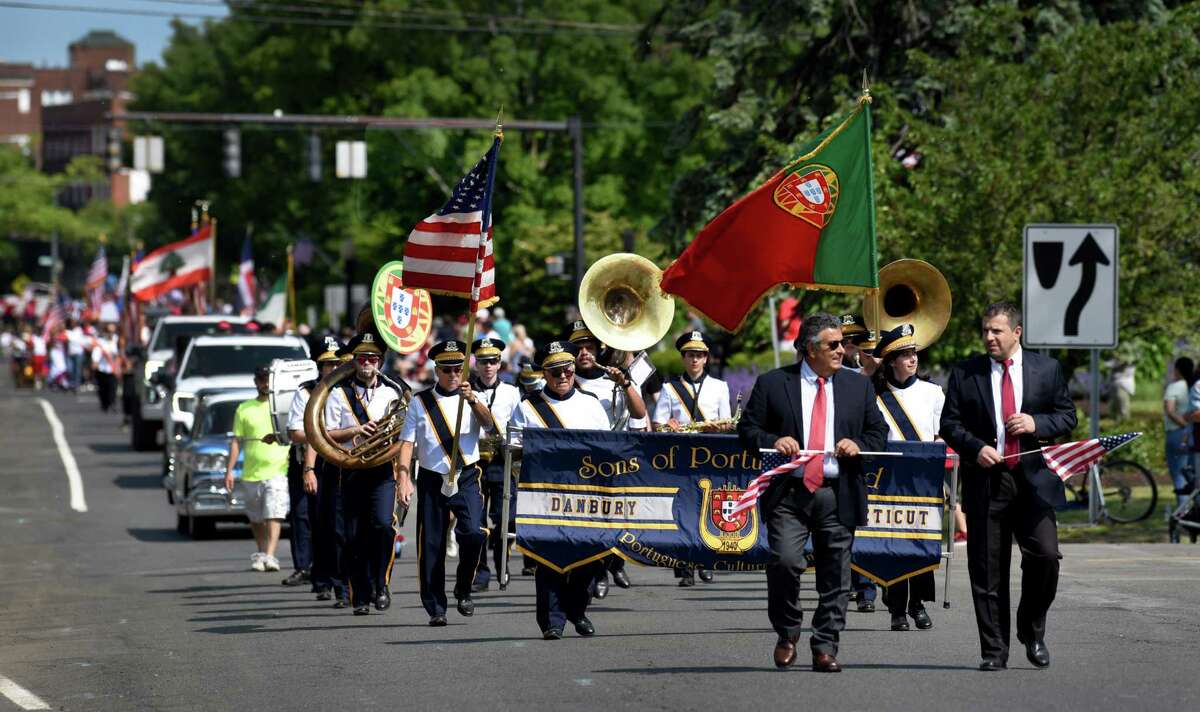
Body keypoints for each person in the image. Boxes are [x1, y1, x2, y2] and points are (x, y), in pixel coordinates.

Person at [737, 312, 888, 672]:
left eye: (842, 344)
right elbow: (748, 429)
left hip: (839, 492)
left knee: (837, 574)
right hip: (789, 493)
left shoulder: (858, 386)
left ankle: (825, 645)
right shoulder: (775, 383)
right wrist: (774, 441)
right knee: (786, 562)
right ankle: (787, 633)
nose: (842, 350)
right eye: (833, 345)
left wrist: (858, 443)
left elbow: (878, 432)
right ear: (810, 349)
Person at [939, 301, 1077, 671]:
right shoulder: (966, 373)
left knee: (1046, 557)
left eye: (996, 331)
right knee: (986, 570)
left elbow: (1067, 416)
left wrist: (1036, 424)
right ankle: (994, 651)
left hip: (1033, 478)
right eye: (985, 330)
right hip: (988, 479)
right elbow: (949, 424)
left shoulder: (1046, 369)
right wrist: (976, 447)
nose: (989, 337)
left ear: (1016, 333)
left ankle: (1031, 630)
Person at [512, 340, 612, 639]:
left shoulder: (591, 403)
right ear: (545, 373)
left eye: (567, 369)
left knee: (591, 556)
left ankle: (577, 609)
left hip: (586, 494)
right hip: (544, 493)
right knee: (548, 559)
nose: (563, 375)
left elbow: (608, 450)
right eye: (555, 371)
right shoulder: (528, 406)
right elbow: (515, 449)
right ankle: (552, 621)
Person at [397, 339, 494, 626]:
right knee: (431, 545)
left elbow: (489, 426)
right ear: (436, 370)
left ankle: (463, 587)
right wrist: (404, 478)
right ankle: (436, 607)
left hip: (465, 474)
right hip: (431, 476)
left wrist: (473, 400)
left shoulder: (475, 397)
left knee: (475, 533)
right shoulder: (420, 402)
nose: (453, 374)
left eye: (457, 369)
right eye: (447, 369)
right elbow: (406, 443)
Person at [324, 332, 411, 615]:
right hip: (350, 469)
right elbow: (325, 434)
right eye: (362, 358)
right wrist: (355, 431)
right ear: (354, 361)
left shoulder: (391, 391)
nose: (366, 363)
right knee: (353, 536)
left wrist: (403, 476)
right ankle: (360, 595)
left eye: (372, 358)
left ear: (380, 362)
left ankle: (381, 584)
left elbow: (404, 435)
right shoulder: (338, 393)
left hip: (382, 471)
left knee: (383, 527)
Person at [870, 324, 944, 632]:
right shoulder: (874, 396)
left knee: (919, 542)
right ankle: (896, 608)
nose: (912, 359)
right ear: (890, 361)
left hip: (922, 480)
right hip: (888, 481)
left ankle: (918, 603)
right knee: (892, 545)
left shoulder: (933, 393)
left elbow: (943, 433)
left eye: (913, 352)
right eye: (904, 354)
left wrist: (942, 443)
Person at [566, 319, 644, 595]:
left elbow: (638, 412)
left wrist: (625, 384)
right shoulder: (565, 380)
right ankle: (597, 571)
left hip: (613, 460)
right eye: (578, 348)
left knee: (615, 519)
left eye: (589, 347)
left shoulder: (613, 378)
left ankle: (611, 563)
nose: (584, 353)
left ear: (598, 350)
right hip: (578, 461)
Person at [652, 330, 731, 587]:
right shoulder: (669, 388)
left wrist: (719, 428)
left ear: (706, 358)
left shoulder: (720, 387)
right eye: (690, 355)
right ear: (683, 358)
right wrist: (668, 426)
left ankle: (706, 561)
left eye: (699, 355)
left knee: (707, 509)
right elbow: (658, 423)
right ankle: (685, 565)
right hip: (682, 456)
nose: (695, 360)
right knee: (684, 510)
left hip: (710, 454)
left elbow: (728, 422)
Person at [280, 338, 341, 590]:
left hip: (336, 463)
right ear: (319, 366)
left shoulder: (347, 391)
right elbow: (295, 433)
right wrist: (330, 434)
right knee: (304, 516)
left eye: (337, 363)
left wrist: (319, 433)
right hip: (305, 462)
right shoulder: (305, 392)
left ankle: (328, 574)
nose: (333, 368)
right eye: (328, 364)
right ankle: (304, 567)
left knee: (330, 520)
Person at [468, 337, 523, 592]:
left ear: (500, 363)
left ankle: (502, 561)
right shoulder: (466, 391)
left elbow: (519, 425)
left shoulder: (512, 392)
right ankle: (481, 571)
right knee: (476, 519)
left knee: (505, 519)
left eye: (492, 361)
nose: (488, 366)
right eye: (483, 362)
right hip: (475, 460)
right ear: (476, 364)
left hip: (502, 460)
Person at [226, 366, 292, 573]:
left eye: (268, 380)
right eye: (262, 380)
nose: (265, 384)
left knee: (274, 513)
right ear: (256, 382)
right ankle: (262, 552)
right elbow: (236, 441)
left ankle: (271, 555)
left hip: (278, 470)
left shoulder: (282, 407)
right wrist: (229, 470)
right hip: (250, 472)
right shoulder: (244, 408)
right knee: (256, 518)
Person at [837, 314, 882, 613]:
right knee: (849, 523)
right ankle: (850, 583)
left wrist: (878, 372)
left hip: (873, 451)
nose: (852, 347)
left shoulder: (877, 368)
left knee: (873, 525)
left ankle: (868, 587)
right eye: (846, 341)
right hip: (847, 457)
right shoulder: (835, 372)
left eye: (856, 341)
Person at [1163, 357, 1195, 509]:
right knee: (1194, 476)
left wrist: (1183, 425)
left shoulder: (1175, 387)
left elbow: (1169, 411)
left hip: (1177, 434)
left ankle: (1183, 511)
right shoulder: (1195, 385)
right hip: (1195, 435)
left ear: (1177, 369)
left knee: (1179, 475)